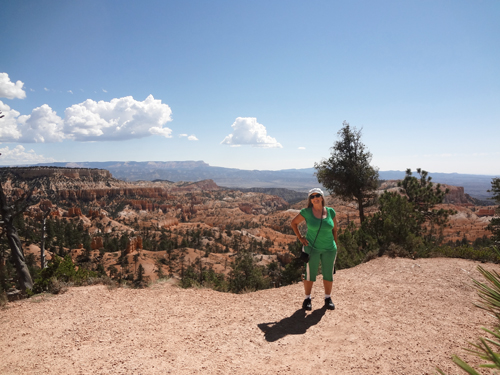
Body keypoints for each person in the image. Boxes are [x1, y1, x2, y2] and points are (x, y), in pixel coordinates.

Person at [291, 188, 338, 311]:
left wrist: (336, 245)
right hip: (312, 248)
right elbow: (293, 223)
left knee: (328, 273)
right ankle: (307, 299)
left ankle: (328, 298)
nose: (315, 198)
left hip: (329, 248)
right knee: (310, 274)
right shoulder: (306, 212)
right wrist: (301, 238)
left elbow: (335, 230)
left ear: (322, 197)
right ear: (310, 200)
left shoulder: (331, 212)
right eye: (312, 196)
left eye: (317, 195)